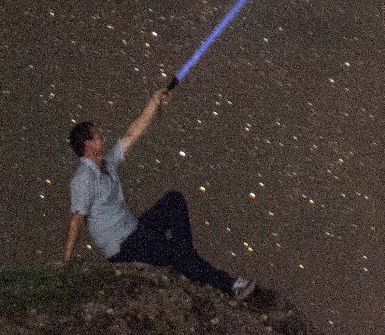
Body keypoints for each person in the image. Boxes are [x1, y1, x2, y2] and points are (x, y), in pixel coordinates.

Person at [61, 80, 255, 300]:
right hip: (124, 247)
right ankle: (230, 285)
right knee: (175, 254)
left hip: (134, 229)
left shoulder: (107, 162)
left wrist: (153, 103)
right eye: (97, 135)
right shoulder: (83, 179)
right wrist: (66, 262)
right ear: (87, 144)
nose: (102, 137)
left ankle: (186, 255)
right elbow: (76, 219)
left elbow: (131, 134)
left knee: (173, 200)